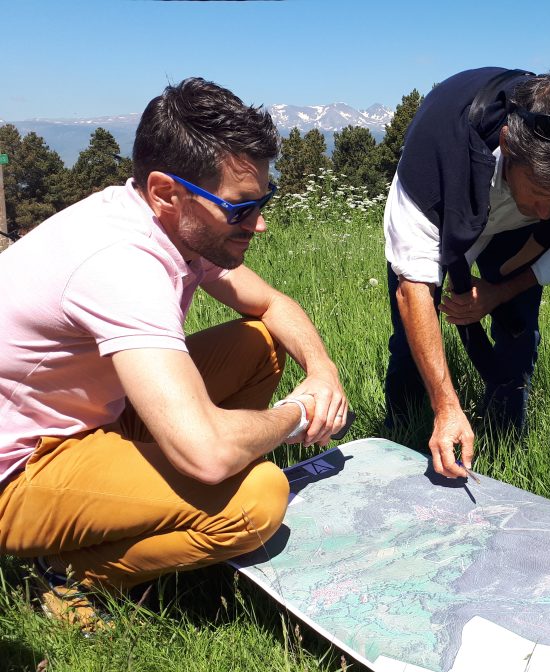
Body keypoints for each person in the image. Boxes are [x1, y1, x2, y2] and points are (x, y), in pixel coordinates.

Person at [0, 77, 349, 628]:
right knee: (256, 501)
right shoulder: (119, 263)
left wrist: (323, 372)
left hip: (90, 418)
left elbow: (272, 305)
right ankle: (67, 571)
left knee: (258, 344)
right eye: (240, 208)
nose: (258, 222)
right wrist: (298, 415)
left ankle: (174, 501)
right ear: (166, 192)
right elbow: (206, 453)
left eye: (265, 200)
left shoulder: (170, 222)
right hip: (22, 470)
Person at [382, 67, 550, 480]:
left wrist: (497, 293)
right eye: (543, 194)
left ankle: (506, 441)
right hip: (451, 204)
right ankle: (401, 438)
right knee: (409, 338)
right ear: (508, 145)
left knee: (516, 329)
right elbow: (413, 287)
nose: (548, 213)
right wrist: (446, 406)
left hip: (515, 233)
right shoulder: (435, 152)